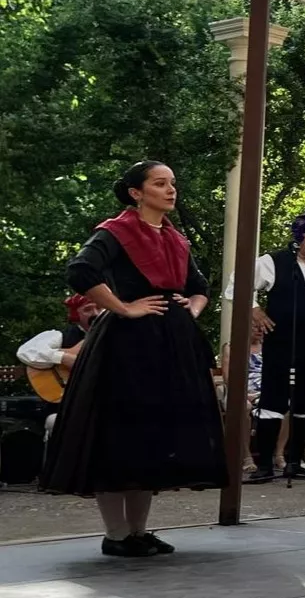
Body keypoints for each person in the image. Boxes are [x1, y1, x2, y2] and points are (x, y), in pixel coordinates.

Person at [38, 161, 226, 557]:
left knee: (152, 437)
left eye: (172, 183)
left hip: (170, 345)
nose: (171, 190)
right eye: (160, 183)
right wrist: (123, 308)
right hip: (127, 347)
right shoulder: (115, 231)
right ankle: (117, 534)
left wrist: (191, 309)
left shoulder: (175, 238)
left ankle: (138, 531)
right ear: (136, 193)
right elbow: (81, 271)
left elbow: (199, 287)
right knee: (119, 434)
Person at [227, 214, 305, 481]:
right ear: (296, 239)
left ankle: (295, 462)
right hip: (281, 340)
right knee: (273, 398)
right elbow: (238, 284)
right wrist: (255, 310)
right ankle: (265, 465)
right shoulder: (273, 262)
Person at [16, 294, 101, 438]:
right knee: (58, 422)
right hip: (67, 407)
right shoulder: (61, 336)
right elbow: (26, 351)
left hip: (109, 403)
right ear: (76, 315)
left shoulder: (118, 336)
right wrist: (64, 358)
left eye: (100, 308)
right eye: (88, 309)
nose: (96, 314)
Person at [220, 320, 267, 473]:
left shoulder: (269, 347)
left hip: (264, 392)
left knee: (284, 405)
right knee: (244, 407)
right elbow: (228, 378)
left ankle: (279, 455)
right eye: (256, 327)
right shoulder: (232, 347)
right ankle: (246, 456)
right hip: (238, 392)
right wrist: (245, 395)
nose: (259, 330)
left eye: (261, 327)